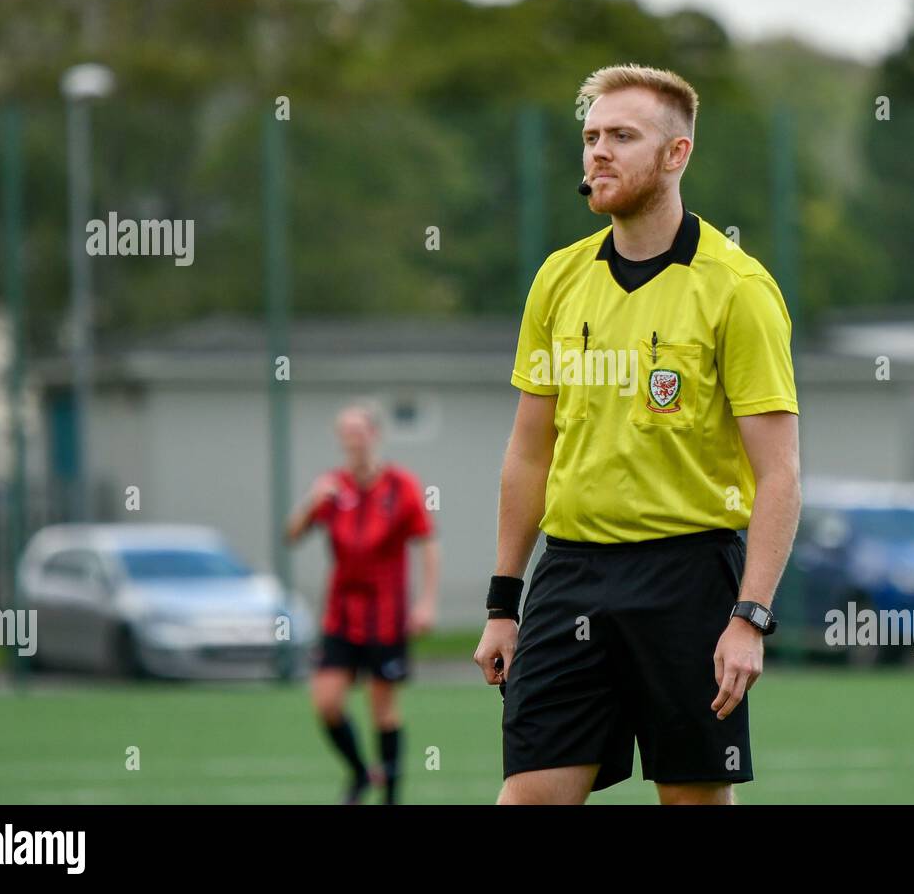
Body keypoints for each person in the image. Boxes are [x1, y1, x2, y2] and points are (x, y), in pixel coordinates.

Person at [474, 64, 802, 805]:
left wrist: (749, 618)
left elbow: (779, 474)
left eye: (622, 136)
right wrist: (503, 603)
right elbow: (530, 451)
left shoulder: (737, 289)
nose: (598, 153)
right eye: (590, 137)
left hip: (688, 581)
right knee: (527, 797)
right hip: (571, 579)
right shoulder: (557, 280)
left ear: (676, 154)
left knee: (691, 801)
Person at [287, 402, 439, 804]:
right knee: (327, 701)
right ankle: (359, 772)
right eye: (346, 432)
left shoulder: (400, 485)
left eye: (359, 431)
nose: (353, 439)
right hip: (340, 614)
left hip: (386, 616)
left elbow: (426, 541)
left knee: (383, 708)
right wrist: (310, 500)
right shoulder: (333, 487)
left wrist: (426, 602)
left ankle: (391, 797)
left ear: (375, 434)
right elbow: (293, 534)